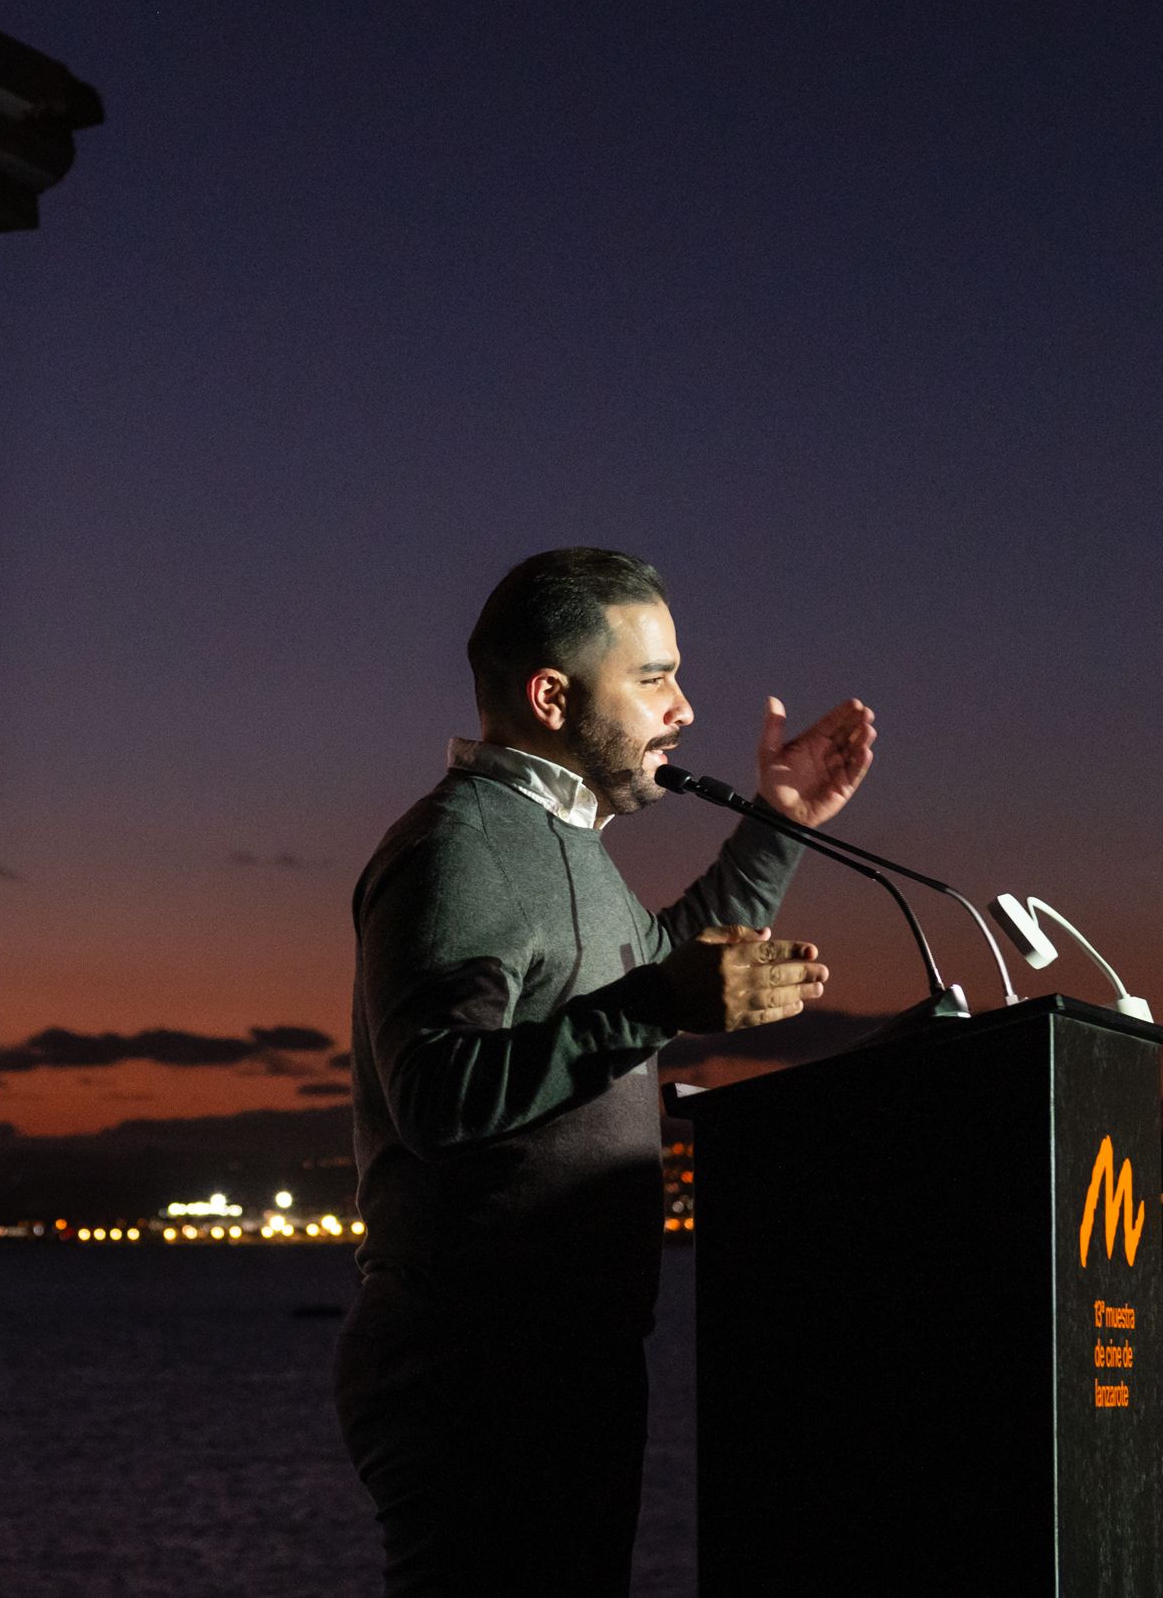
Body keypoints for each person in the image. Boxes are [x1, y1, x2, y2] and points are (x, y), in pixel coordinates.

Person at [335, 546, 876, 1596]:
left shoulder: (564, 844)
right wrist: (659, 1004)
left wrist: (779, 820)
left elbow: (654, 968)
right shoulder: (460, 845)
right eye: (653, 677)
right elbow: (437, 1093)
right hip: (475, 1369)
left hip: (560, 1364)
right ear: (550, 695)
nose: (683, 709)